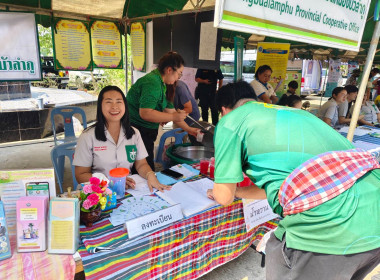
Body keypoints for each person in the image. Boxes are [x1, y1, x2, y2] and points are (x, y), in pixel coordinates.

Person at [208, 81, 380, 280]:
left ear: (223, 110)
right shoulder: (298, 114)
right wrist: (238, 191)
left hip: (330, 230)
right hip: (373, 217)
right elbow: (280, 184)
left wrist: (222, 190)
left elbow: (223, 197)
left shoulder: (231, 122)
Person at [73, 86, 170, 192]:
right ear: (100, 106)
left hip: (128, 189)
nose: (114, 107)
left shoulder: (134, 133)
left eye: (119, 102)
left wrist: (150, 174)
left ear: (125, 105)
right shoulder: (88, 136)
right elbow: (81, 175)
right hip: (100, 192)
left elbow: (141, 164)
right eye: (108, 102)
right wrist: (110, 182)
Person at [127, 52, 199, 171]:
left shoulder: (163, 85)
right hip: (136, 131)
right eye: (179, 74)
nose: (178, 78)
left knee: (146, 166)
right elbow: (145, 113)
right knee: (142, 168)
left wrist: (189, 129)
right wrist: (173, 117)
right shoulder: (153, 82)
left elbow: (171, 113)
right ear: (169, 70)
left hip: (146, 132)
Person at [169, 80, 201, 145]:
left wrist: (172, 116)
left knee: (186, 138)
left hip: (190, 115)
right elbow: (168, 109)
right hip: (178, 113)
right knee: (178, 137)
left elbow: (189, 108)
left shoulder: (180, 87)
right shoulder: (164, 87)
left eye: (179, 73)